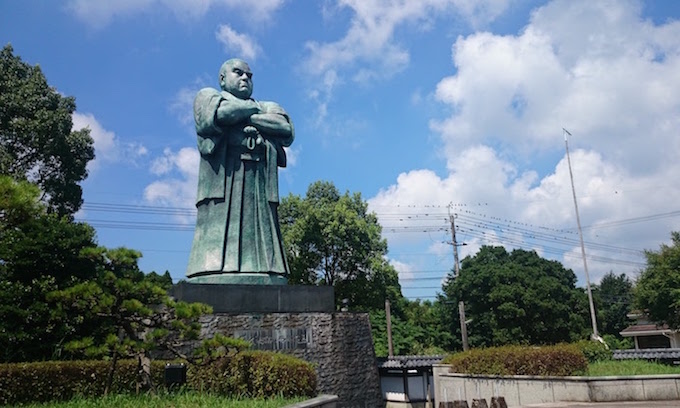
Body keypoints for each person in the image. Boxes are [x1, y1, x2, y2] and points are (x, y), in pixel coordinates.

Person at [186, 59, 294, 284]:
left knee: (263, 238)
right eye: (239, 73)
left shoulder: (266, 105)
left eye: (250, 75)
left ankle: (267, 272)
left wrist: (248, 114)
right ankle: (212, 272)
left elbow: (286, 129)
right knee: (217, 239)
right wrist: (255, 114)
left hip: (259, 185)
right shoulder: (208, 96)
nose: (245, 78)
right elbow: (218, 116)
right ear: (223, 79)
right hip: (224, 183)